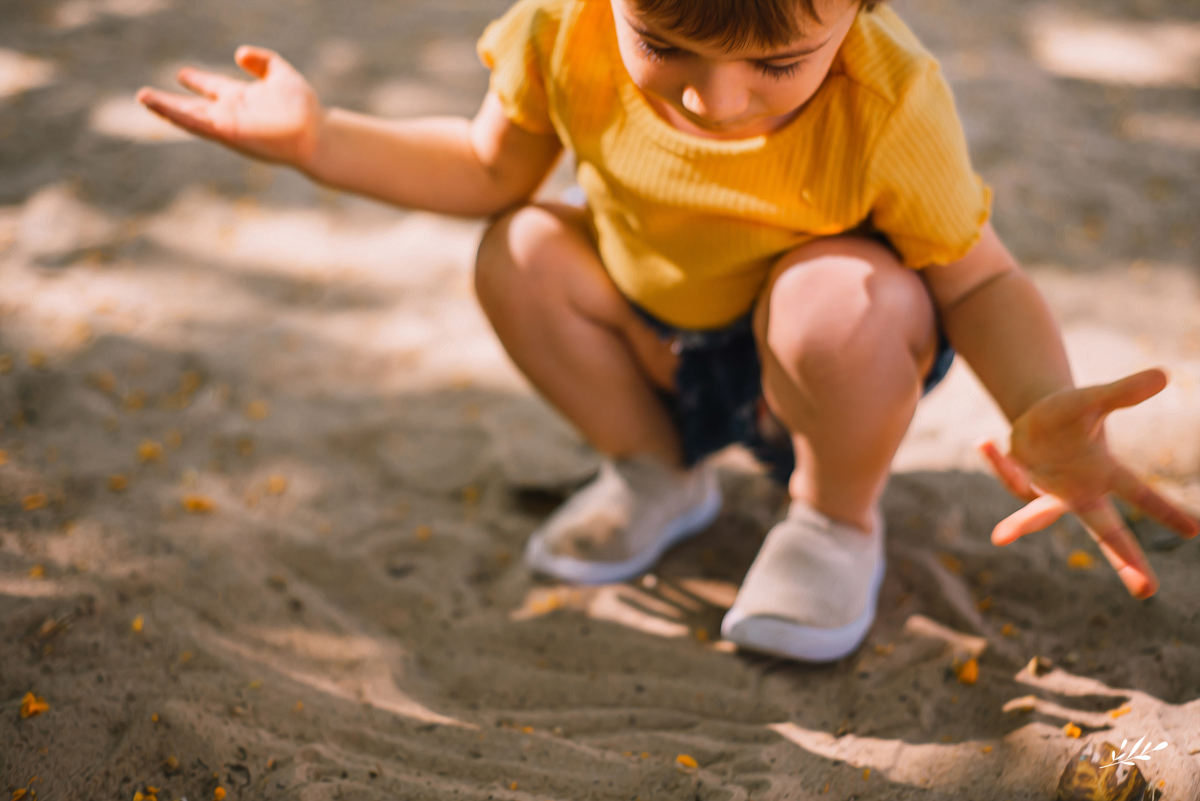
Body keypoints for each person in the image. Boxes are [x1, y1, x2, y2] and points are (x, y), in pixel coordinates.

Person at [138, 0, 1198, 663]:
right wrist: (322, 139)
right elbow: (484, 172)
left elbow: (980, 281)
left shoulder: (888, 98)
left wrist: (1037, 405)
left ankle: (834, 524)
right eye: (666, 42)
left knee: (839, 294)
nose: (716, 97)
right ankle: (656, 475)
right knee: (518, 247)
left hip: (824, 372)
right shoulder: (568, 28)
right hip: (653, 337)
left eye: (777, 62)